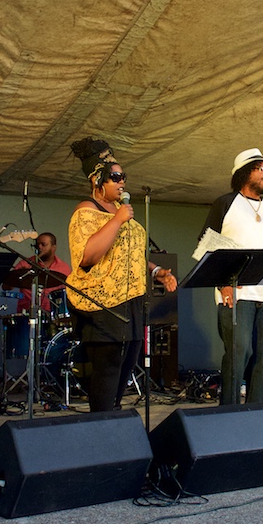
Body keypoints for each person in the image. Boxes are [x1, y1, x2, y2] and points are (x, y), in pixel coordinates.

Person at [66, 138, 177, 411]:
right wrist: (117, 220)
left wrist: (157, 271)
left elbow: (130, 253)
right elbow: (88, 256)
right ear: (97, 180)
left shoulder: (121, 213)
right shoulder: (86, 211)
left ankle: (113, 420)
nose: (122, 182)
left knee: (125, 368)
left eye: (123, 176)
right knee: (107, 371)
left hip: (131, 302)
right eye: (115, 177)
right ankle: (101, 425)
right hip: (103, 305)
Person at [198, 148, 263, 405]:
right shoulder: (226, 203)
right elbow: (206, 245)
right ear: (244, 173)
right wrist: (223, 284)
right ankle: (229, 410)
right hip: (236, 292)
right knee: (239, 351)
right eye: (260, 168)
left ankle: (256, 411)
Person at [5, 232, 72, 315]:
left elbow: (70, 294)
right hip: (26, 314)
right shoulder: (25, 264)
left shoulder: (64, 268)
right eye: (37, 245)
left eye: (43, 244)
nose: (39, 247)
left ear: (53, 247)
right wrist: (17, 276)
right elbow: (6, 287)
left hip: (53, 314)